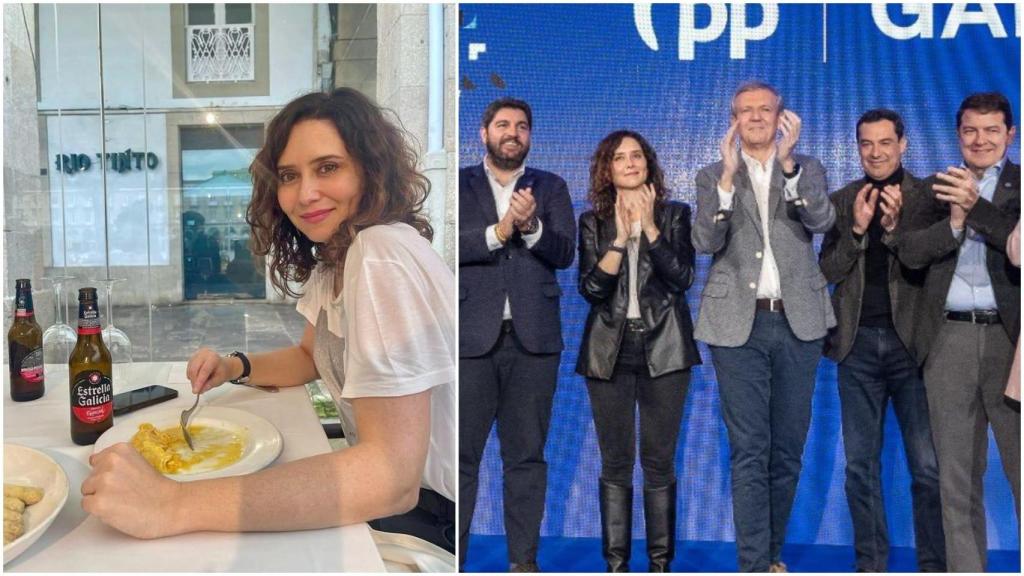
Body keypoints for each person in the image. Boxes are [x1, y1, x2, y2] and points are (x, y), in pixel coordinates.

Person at [80, 88, 456, 553]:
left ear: (370, 169)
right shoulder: (337, 257)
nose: (305, 194)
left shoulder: (381, 252)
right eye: (289, 176)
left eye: (328, 167)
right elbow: (308, 357)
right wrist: (233, 366)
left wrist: (170, 504)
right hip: (400, 505)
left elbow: (390, 477)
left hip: (435, 523)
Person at [691, 81, 835, 572]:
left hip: (800, 323)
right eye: (744, 111)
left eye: (764, 109)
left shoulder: (806, 168)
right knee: (750, 449)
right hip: (738, 327)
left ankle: (772, 555)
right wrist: (729, 180)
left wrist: (790, 169)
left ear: (781, 117)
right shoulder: (713, 175)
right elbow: (705, 241)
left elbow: (821, 220)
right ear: (733, 119)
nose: (755, 117)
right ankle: (754, 564)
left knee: (788, 448)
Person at [888, 92, 1019, 572]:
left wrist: (976, 210)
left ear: (1011, 134)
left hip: (1012, 344)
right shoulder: (936, 188)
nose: (980, 140)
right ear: (958, 134)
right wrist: (955, 222)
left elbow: (1016, 244)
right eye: (970, 130)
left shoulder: (1022, 186)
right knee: (956, 479)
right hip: (948, 341)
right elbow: (909, 251)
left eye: (991, 130)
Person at [818, 109, 945, 572]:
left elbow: (929, 263)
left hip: (914, 347)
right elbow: (826, 272)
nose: (876, 153)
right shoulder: (842, 199)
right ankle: (871, 564)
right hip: (855, 348)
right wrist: (855, 231)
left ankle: (934, 565)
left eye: (885, 143)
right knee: (860, 469)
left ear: (903, 144)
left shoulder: (929, 198)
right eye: (867, 144)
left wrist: (894, 231)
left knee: (928, 469)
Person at [458, 97, 576, 572]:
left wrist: (530, 229)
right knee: (462, 460)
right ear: (483, 133)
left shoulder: (551, 187)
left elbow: (565, 252)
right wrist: (500, 230)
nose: (513, 132)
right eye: (503, 125)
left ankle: (523, 564)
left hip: (534, 343)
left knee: (526, 459)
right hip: (470, 340)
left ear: (530, 137)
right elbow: (447, 245)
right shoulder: (462, 186)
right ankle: (455, 561)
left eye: (522, 126)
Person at [576, 130, 700, 572]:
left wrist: (647, 229)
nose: (630, 163)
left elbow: (682, 277)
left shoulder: (675, 215)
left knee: (659, 461)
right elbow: (590, 289)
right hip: (608, 350)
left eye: (636, 156)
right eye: (619, 158)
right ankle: (616, 563)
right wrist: (619, 238)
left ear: (648, 163)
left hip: (665, 348)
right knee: (615, 462)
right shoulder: (592, 221)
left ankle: (660, 563)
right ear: (606, 170)